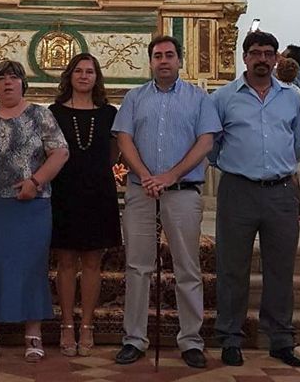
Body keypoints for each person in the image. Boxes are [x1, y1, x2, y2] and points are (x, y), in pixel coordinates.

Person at [112, 35, 221, 369]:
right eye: (157, 55)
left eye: (169, 55)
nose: (163, 60)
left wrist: (171, 175)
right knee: (137, 266)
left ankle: (190, 340)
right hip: (140, 191)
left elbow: (206, 142)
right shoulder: (134, 98)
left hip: (183, 191)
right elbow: (124, 138)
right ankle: (134, 338)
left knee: (187, 267)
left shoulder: (199, 98)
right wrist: (146, 174)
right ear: (150, 61)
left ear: (179, 60)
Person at [0, 60, 69, 363]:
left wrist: (36, 181)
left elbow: (60, 151)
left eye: (13, 78)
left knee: (30, 267)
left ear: (23, 84)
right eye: (1, 78)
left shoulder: (40, 116)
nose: (8, 83)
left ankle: (33, 333)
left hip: (30, 206)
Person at [210, 30, 300, 368]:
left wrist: (277, 169)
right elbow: (212, 147)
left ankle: (280, 339)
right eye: (256, 53)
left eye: (269, 53)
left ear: (277, 57)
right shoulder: (223, 98)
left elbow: (299, 144)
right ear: (245, 57)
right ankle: (231, 337)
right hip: (238, 190)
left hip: (281, 192)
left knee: (280, 269)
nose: (263, 59)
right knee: (232, 268)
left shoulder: (292, 98)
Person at [49, 54, 121, 357]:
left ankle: (87, 325)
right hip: (64, 191)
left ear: (97, 77)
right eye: (78, 71)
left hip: (98, 192)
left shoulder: (109, 114)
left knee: (93, 262)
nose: (83, 76)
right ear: (69, 76)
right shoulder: (53, 112)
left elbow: (115, 153)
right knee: (65, 262)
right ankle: (67, 325)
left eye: (89, 71)